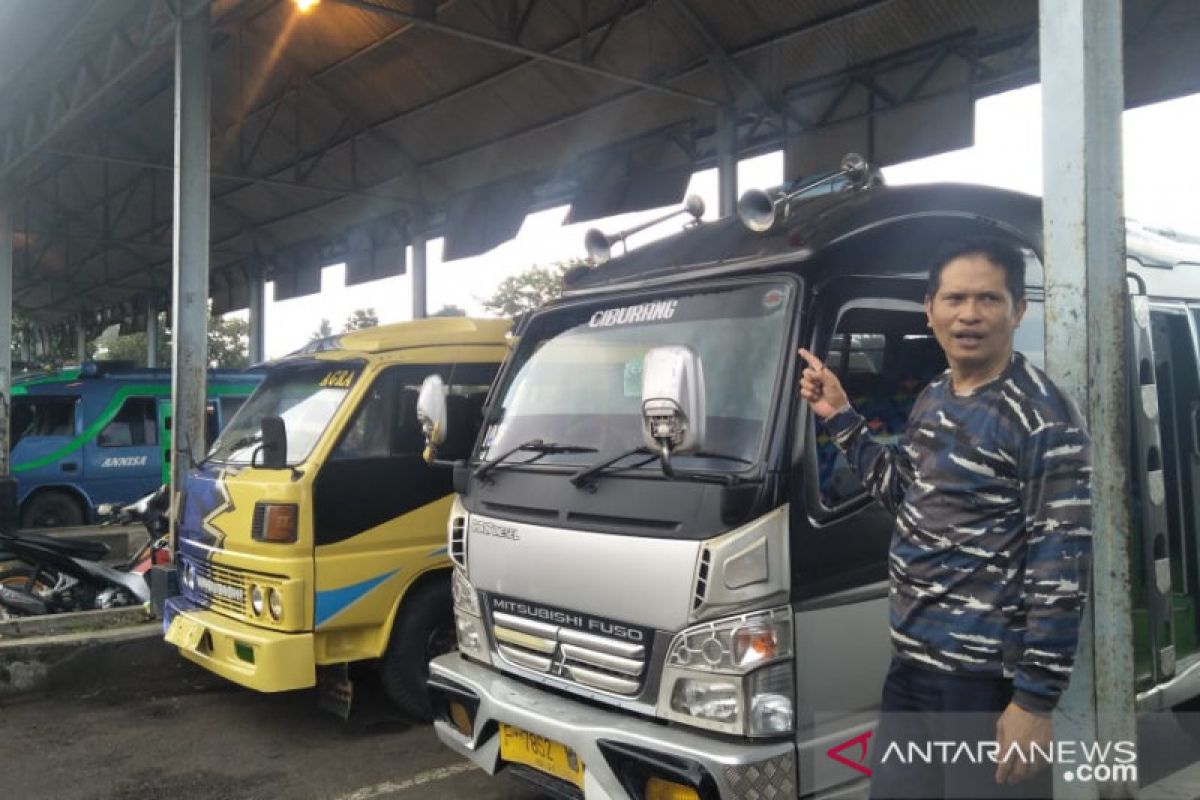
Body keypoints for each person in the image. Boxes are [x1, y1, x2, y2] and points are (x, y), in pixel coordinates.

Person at [798, 238, 1092, 799]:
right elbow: (903, 496)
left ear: (1018, 309)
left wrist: (1033, 702)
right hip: (911, 668)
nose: (970, 314)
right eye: (955, 298)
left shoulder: (1041, 418)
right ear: (929, 308)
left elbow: (1062, 573)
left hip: (982, 687)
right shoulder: (934, 396)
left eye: (989, 298)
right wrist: (838, 415)